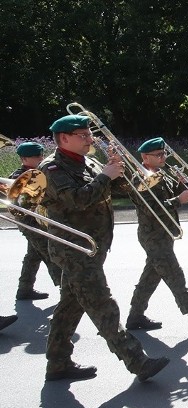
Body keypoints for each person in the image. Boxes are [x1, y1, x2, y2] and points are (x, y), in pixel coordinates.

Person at [38, 114, 169, 382]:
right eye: (83, 135)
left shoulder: (88, 162)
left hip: (93, 245)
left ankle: (57, 363)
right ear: (64, 138)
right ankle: (137, 360)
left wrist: (117, 170)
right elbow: (77, 200)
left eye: (89, 134)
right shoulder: (51, 169)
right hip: (73, 248)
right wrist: (103, 176)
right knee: (103, 304)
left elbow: (118, 189)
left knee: (70, 306)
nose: (90, 139)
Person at [125, 137, 188, 332]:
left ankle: (135, 317)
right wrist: (179, 199)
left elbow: (168, 196)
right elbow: (152, 208)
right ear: (145, 157)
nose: (163, 157)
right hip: (152, 234)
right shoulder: (141, 178)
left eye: (163, 154)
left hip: (164, 232)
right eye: (158, 155)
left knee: (150, 277)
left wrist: (181, 185)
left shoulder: (160, 173)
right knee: (175, 276)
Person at [7, 142, 61, 300]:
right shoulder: (19, 177)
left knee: (33, 255)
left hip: (40, 221)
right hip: (30, 223)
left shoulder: (40, 173)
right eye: (37, 156)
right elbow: (18, 203)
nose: (41, 158)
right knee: (50, 254)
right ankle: (68, 290)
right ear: (24, 158)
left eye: (41, 154)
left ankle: (24, 289)